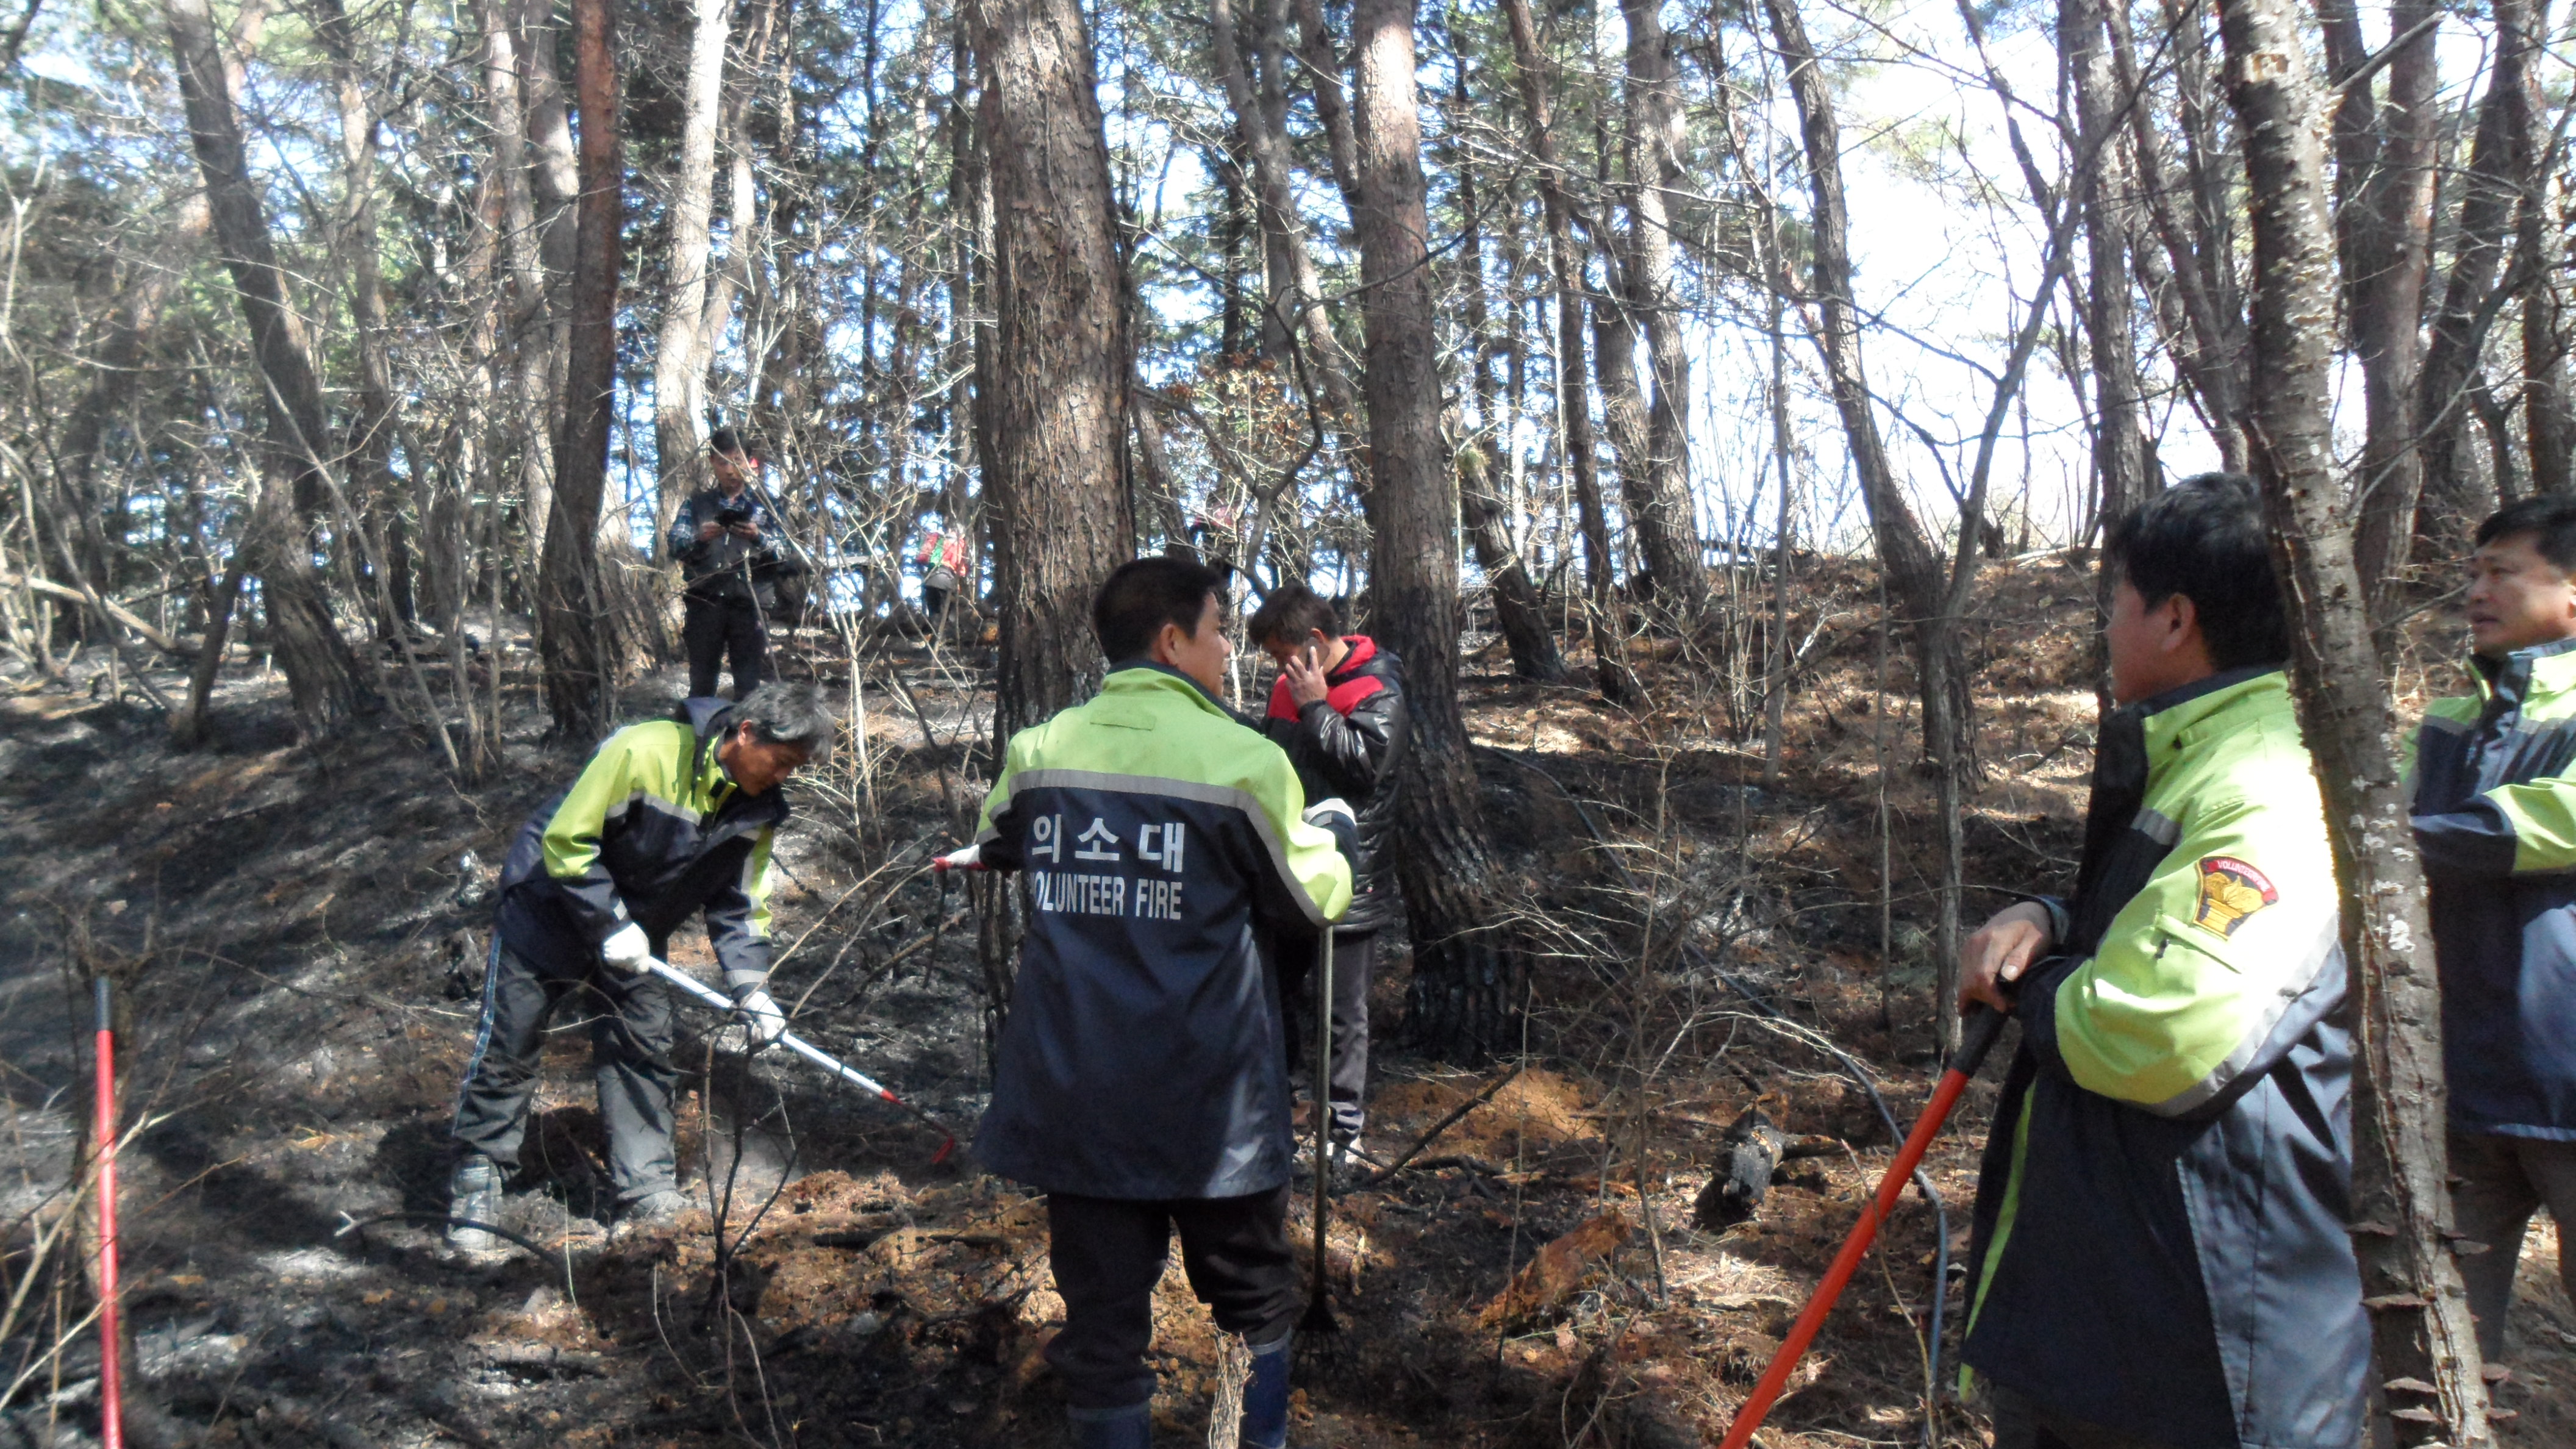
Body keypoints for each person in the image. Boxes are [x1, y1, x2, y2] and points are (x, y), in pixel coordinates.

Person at [1953, 474, 2366, 1449]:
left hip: (2201, 1340)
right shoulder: (2204, 754)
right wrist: (2054, 918)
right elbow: (2166, 922)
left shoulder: (2266, 781)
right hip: (2123, 1315)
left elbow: (2168, 1025)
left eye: (2118, 602)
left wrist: (2032, 987)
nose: (2106, 627)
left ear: (2175, 619)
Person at [936, 556, 1354, 1449]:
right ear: (1172, 640)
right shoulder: (1244, 760)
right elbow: (1314, 901)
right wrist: (1335, 840)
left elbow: (999, 839)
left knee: (1101, 1325)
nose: (1226, 652)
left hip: (1079, 1096)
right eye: (1217, 631)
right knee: (1252, 1303)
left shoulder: (1041, 751)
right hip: (1213, 1106)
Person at [445, 682, 834, 1248]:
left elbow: (742, 906)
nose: (783, 777)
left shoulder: (758, 812)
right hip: (547, 905)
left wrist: (754, 991)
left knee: (642, 1047)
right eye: (782, 762)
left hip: (638, 933)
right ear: (747, 733)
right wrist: (609, 923)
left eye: (794, 769)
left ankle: (647, 1189)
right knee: (512, 1041)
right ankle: (477, 1179)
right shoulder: (644, 750)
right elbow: (567, 841)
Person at [2408, 493, 2576, 1362]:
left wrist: (2389, 840)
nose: (2476, 591)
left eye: (2502, 572)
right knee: (2438, 1355)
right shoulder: (2449, 720)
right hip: (2462, 1085)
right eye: (2472, 572)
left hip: (2568, 1081)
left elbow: (2550, 821)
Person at [1243, 584, 1408, 1151]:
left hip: (1351, 876)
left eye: (1281, 654)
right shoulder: (1284, 688)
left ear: (1315, 639)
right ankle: (1281, 1108)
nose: (1277, 668)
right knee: (1274, 994)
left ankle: (1344, 1133)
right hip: (1289, 869)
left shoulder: (1379, 687)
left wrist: (1316, 705)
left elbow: (1363, 768)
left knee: (1342, 1013)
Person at [667, 429, 775, 699]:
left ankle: (745, 728)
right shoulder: (696, 504)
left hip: (750, 606)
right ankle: (697, 726)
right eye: (723, 462)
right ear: (712, 462)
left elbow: (789, 553)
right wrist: (700, 539)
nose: (730, 470)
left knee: (749, 688)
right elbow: (676, 545)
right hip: (705, 603)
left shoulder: (768, 506)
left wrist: (758, 537)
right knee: (702, 684)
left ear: (750, 462)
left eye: (737, 461)